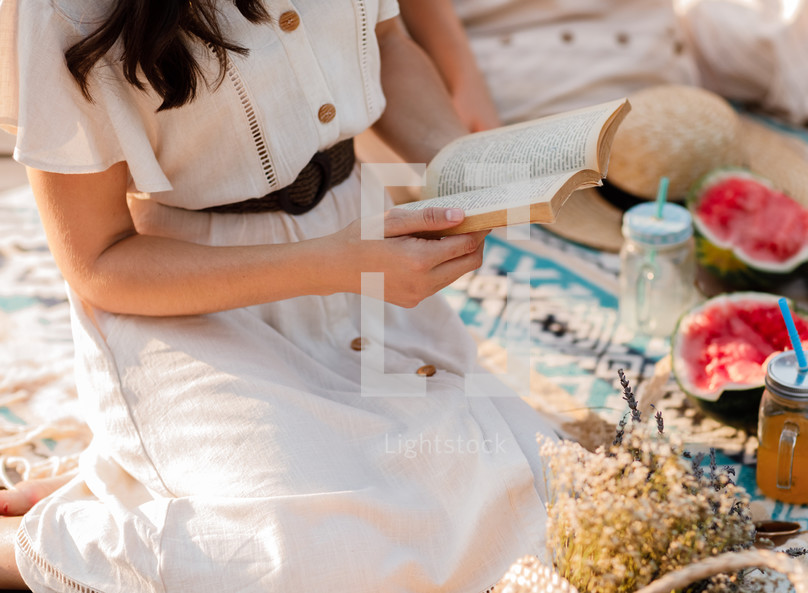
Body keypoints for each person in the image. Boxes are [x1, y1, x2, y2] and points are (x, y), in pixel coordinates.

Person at [0, 1, 554, 591]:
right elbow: (97, 259)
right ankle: (30, 548)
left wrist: (462, 166)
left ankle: (133, 479)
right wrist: (334, 263)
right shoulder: (59, 10)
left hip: (356, 254)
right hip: (195, 302)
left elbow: (386, 44)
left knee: (531, 488)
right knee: (310, 558)